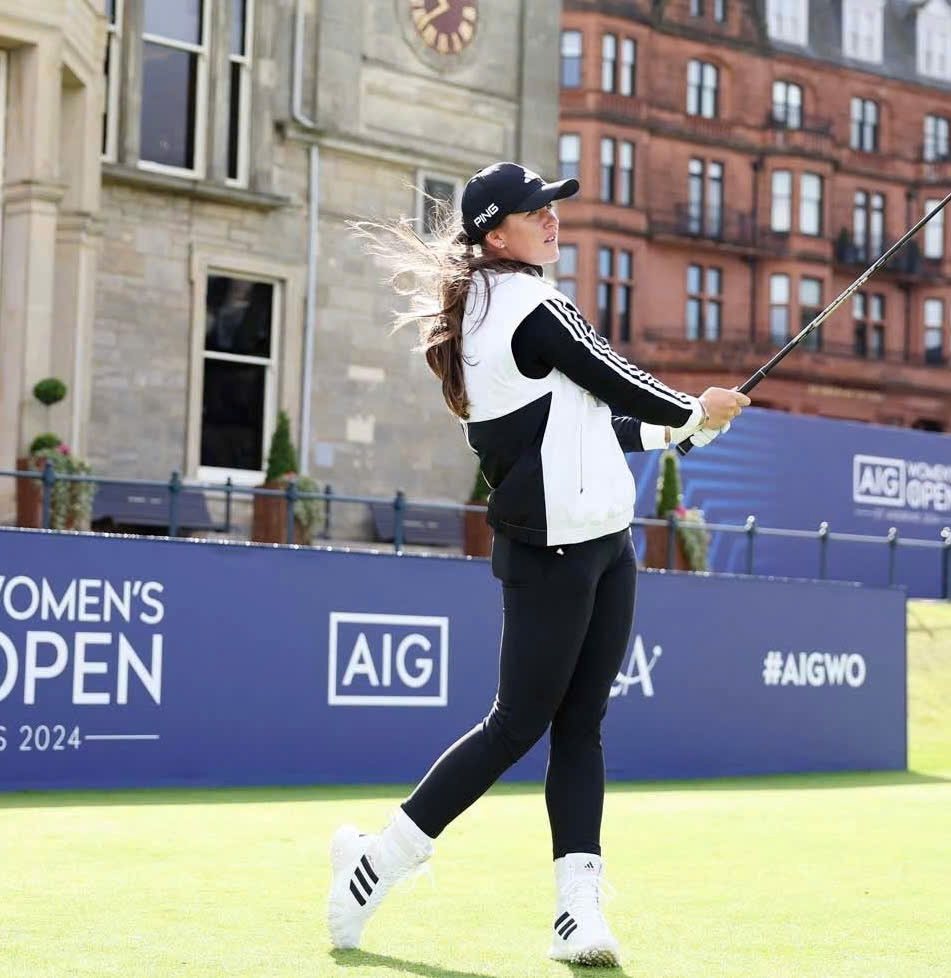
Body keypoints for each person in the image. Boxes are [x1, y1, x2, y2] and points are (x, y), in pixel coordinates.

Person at [328, 162, 748, 966]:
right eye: (536, 211)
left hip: (604, 540)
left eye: (552, 208)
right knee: (516, 725)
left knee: (580, 728)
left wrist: (680, 429)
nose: (553, 219)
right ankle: (377, 861)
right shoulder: (528, 306)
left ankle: (576, 912)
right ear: (495, 235)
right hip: (550, 546)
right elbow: (613, 376)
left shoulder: (501, 302)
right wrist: (693, 408)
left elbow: (590, 421)